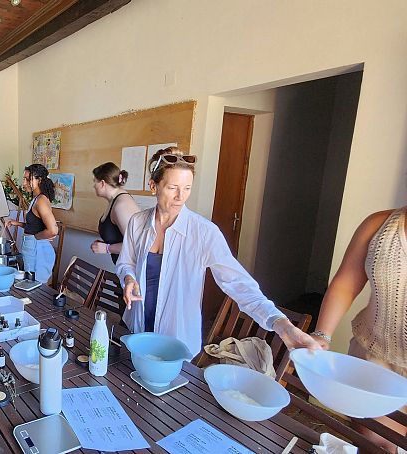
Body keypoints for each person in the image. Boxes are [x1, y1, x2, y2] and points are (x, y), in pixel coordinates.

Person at [116, 147, 320, 356]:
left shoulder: (204, 232)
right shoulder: (138, 222)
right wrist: (130, 278)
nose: (180, 197)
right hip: (137, 325)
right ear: (153, 186)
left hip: (176, 338)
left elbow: (238, 283)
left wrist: (280, 324)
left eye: (187, 188)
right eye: (172, 187)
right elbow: (125, 263)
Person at [310, 206, 406, 452]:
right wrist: (322, 335)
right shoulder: (379, 224)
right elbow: (346, 283)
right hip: (375, 361)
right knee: (377, 444)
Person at [4, 164, 59, 283]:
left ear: (39, 180)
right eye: (24, 179)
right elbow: (35, 227)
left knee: (35, 286)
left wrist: (36, 237)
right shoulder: (36, 198)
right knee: (30, 283)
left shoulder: (41, 201)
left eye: (28, 179)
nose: (24, 183)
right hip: (32, 247)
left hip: (38, 250)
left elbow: (53, 230)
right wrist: (17, 223)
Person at [90, 162, 141, 264]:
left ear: (102, 183)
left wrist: (107, 248)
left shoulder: (121, 206)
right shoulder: (114, 201)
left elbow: (136, 245)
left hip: (133, 273)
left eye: (95, 181)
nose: (93, 186)